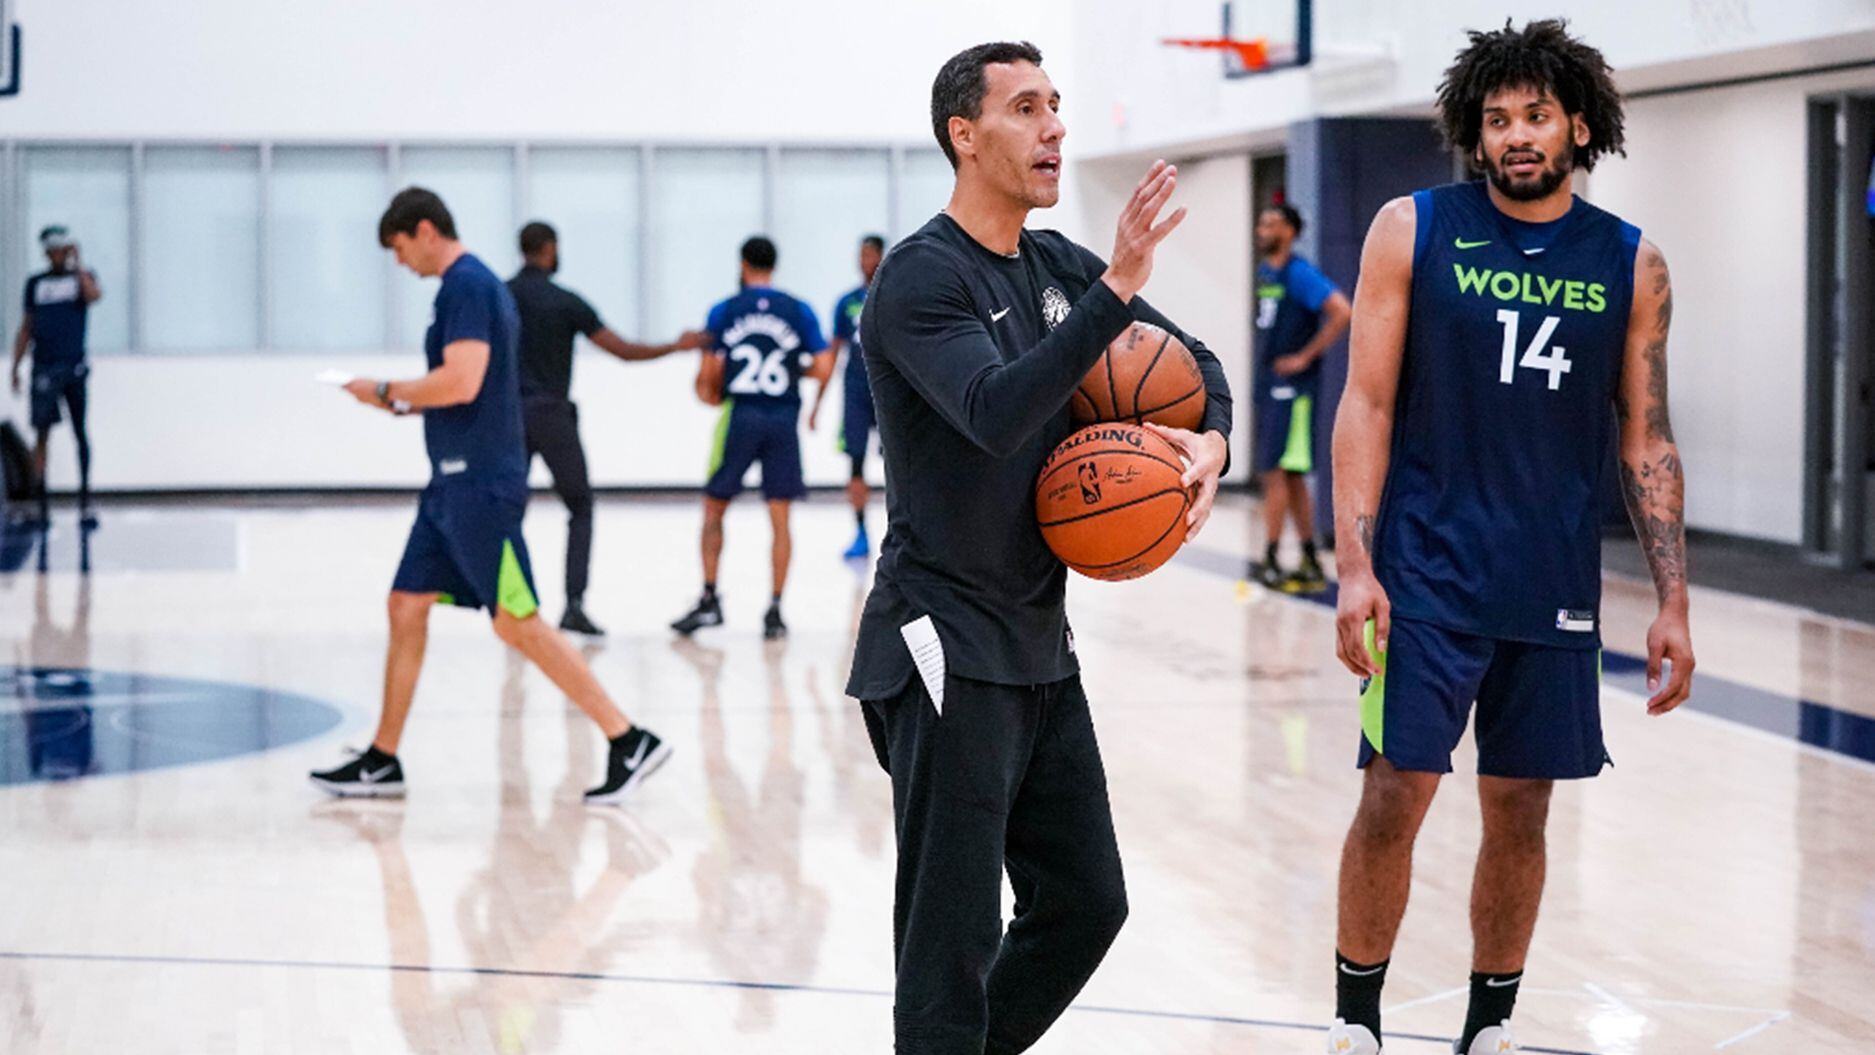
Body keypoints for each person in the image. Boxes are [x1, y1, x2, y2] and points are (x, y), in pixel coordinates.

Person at [849, 42, 1232, 1054]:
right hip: (940, 642)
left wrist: (1209, 443)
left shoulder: (1060, 267)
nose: (1055, 125)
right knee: (952, 937)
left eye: (1057, 105)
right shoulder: (920, 279)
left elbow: (1198, 371)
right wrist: (1116, 290)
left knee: (1085, 901)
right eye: (1027, 108)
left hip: (1036, 641)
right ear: (964, 137)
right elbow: (991, 411)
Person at [1325, 21, 1695, 1055]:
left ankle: (1489, 1026)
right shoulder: (1414, 227)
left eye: (1536, 116)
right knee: (1396, 791)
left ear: (1579, 124)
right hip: (1426, 572)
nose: (1517, 136)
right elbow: (1365, 402)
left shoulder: (1631, 261)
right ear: (1473, 132)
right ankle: (1356, 1019)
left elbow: (1648, 438)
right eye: (1497, 120)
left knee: (1521, 807)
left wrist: (1672, 601)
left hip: (1552, 578)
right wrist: (1355, 562)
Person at [310, 187, 669, 804]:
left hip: (480, 489)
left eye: (400, 249)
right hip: (450, 485)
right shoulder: (466, 289)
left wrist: (385, 388)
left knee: (518, 622)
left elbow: (462, 379)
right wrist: (401, 399)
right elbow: (458, 387)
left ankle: (627, 737)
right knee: (406, 604)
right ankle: (383, 758)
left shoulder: (468, 287)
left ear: (425, 231)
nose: (400, 263)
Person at [507, 220, 709, 637]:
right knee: (580, 506)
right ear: (549, 249)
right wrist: (676, 344)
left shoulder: (500, 296)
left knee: (509, 510)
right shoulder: (565, 302)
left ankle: (511, 601)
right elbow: (623, 350)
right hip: (552, 415)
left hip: (508, 416)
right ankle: (574, 604)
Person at [669, 236, 832, 641]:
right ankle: (775, 609)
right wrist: (799, 373)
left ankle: (709, 598)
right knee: (780, 519)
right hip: (782, 420)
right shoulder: (798, 309)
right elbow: (825, 364)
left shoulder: (725, 310)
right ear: (774, 266)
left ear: (743, 264)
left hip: (741, 417)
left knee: (714, 508)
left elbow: (706, 382)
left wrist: (712, 388)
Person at [1249, 202, 1349, 592]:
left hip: (1294, 389)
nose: (1263, 228)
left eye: (1271, 222)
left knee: (1275, 472)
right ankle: (1308, 557)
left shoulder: (1299, 273)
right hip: (1269, 383)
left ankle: (1271, 557)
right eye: (1261, 222)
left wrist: (1305, 356)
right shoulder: (1265, 272)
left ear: (1290, 231)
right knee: (1288, 476)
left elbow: (1342, 310)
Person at [10, 226, 102, 529]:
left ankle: (86, 499)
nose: (58, 254)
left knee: (80, 432)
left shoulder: (81, 279)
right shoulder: (36, 284)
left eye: (63, 248)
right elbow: (27, 326)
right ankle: (42, 504)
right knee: (42, 435)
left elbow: (93, 296)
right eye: (53, 249)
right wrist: (15, 366)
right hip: (44, 368)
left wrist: (78, 266)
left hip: (73, 367)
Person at [809, 234, 886, 559]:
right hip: (855, 393)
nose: (864, 261)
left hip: (887, 394)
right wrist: (816, 403)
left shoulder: (892, 296)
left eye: (870, 255)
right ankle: (860, 533)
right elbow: (832, 354)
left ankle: (901, 535)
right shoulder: (846, 303)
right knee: (855, 466)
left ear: (882, 257)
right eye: (861, 255)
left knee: (899, 468)